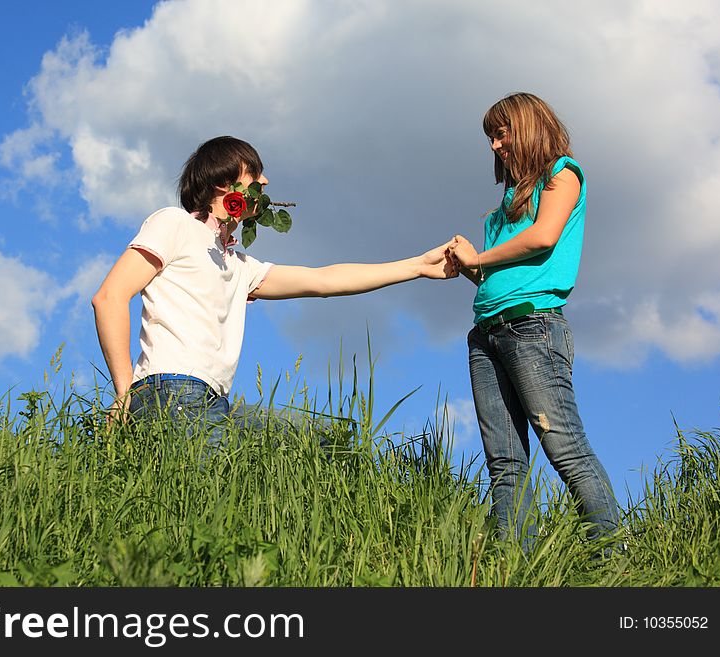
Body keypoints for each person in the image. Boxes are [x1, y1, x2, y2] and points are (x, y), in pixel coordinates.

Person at [92, 135, 459, 444]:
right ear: (224, 183)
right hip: (171, 388)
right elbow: (109, 297)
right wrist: (125, 395)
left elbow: (323, 281)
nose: (265, 182)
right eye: (255, 173)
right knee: (209, 505)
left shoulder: (238, 264)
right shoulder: (173, 224)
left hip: (212, 398)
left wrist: (417, 266)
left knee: (323, 439)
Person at [449, 93, 619, 551]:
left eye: (501, 133)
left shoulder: (562, 173)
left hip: (534, 328)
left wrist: (480, 258)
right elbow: (494, 280)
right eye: (490, 137)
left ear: (527, 126)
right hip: (487, 333)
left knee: (564, 448)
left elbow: (543, 238)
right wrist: (468, 266)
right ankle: (514, 566)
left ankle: (614, 557)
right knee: (504, 462)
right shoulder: (505, 205)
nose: (494, 145)